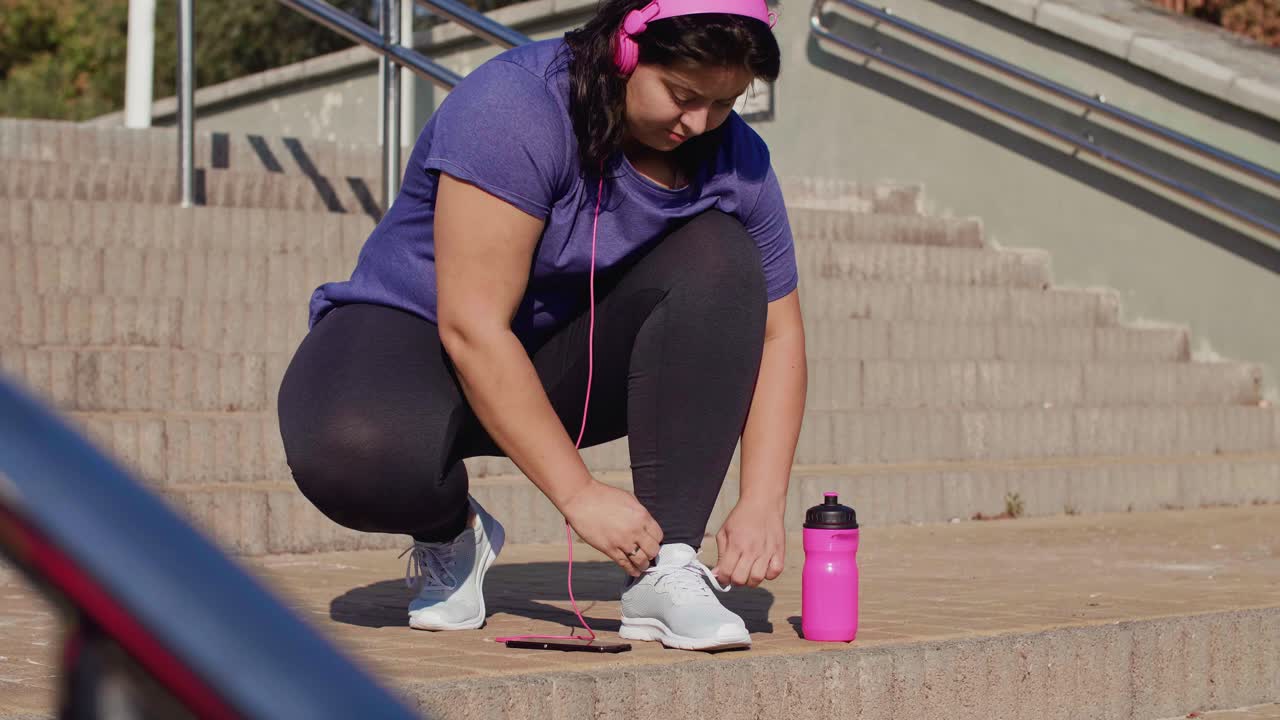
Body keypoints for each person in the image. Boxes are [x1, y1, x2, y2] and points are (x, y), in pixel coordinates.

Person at [276, 0, 807, 652]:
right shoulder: (515, 107)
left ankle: (667, 566)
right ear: (625, 49)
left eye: (725, 103)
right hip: (415, 336)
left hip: (557, 359)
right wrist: (579, 494)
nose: (699, 123)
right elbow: (472, 325)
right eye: (682, 95)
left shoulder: (738, 161)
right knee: (348, 453)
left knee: (721, 255)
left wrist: (761, 502)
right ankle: (452, 535)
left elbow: (780, 335)